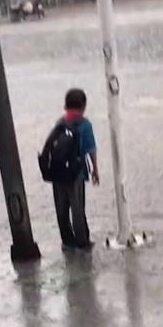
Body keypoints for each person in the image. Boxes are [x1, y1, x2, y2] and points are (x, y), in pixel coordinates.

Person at [51, 88, 99, 250]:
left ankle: (67, 241)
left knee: (61, 210)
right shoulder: (85, 125)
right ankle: (83, 242)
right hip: (76, 174)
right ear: (83, 106)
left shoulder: (60, 123)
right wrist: (95, 170)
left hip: (57, 174)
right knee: (78, 209)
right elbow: (90, 149)